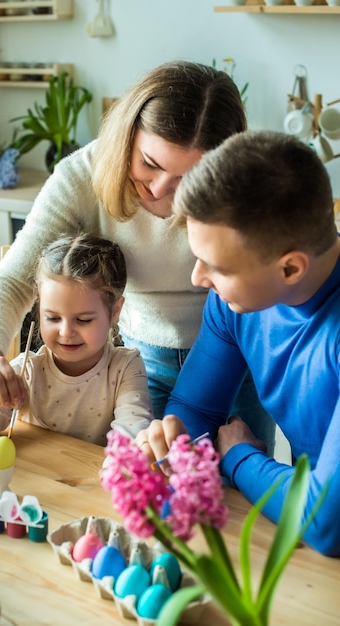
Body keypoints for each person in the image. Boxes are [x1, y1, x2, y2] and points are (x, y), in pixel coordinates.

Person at [0, 60, 274, 451]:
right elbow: (11, 280)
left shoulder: (249, 184)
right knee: (151, 492)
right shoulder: (81, 176)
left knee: (238, 499)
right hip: (143, 366)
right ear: (127, 136)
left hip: (239, 362)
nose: (161, 190)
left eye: (189, 178)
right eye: (149, 164)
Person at [136, 130, 340, 557]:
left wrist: (240, 459)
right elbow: (195, 408)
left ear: (290, 268)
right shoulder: (233, 304)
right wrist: (176, 446)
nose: (197, 278)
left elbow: (326, 521)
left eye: (217, 267)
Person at [0, 234, 153, 451]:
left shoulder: (125, 368)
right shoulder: (26, 371)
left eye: (83, 320)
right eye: (52, 318)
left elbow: (132, 439)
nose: (66, 331)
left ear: (115, 311)